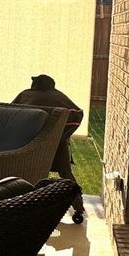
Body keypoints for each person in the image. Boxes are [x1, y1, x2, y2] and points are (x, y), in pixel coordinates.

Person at [12, 74, 85, 223]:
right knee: (65, 173)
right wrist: (63, 134)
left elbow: (10, 113)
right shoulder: (60, 97)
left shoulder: (25, 95)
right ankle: (78, 206)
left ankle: (18, 204)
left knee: (22, 171)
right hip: (57, 146)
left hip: (27, 145)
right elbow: (78, 114)